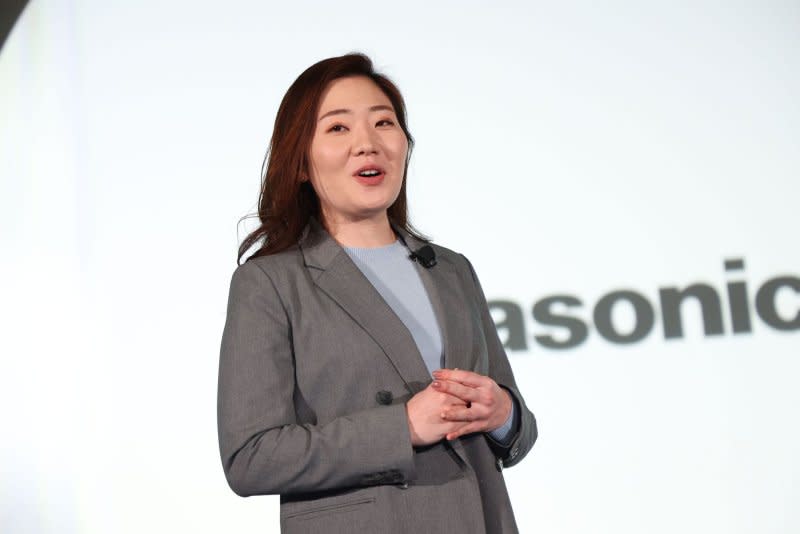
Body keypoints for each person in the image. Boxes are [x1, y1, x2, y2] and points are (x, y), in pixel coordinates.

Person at [217, 53, 537, 534]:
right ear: (301, 162)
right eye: (338, 129)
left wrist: (505, 414)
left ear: (405, 145)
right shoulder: (271, 283)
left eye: (383, 123)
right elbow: (251, 457)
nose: (367, 144)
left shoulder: (451, 269)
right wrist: (401, 428)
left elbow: (517, 433)